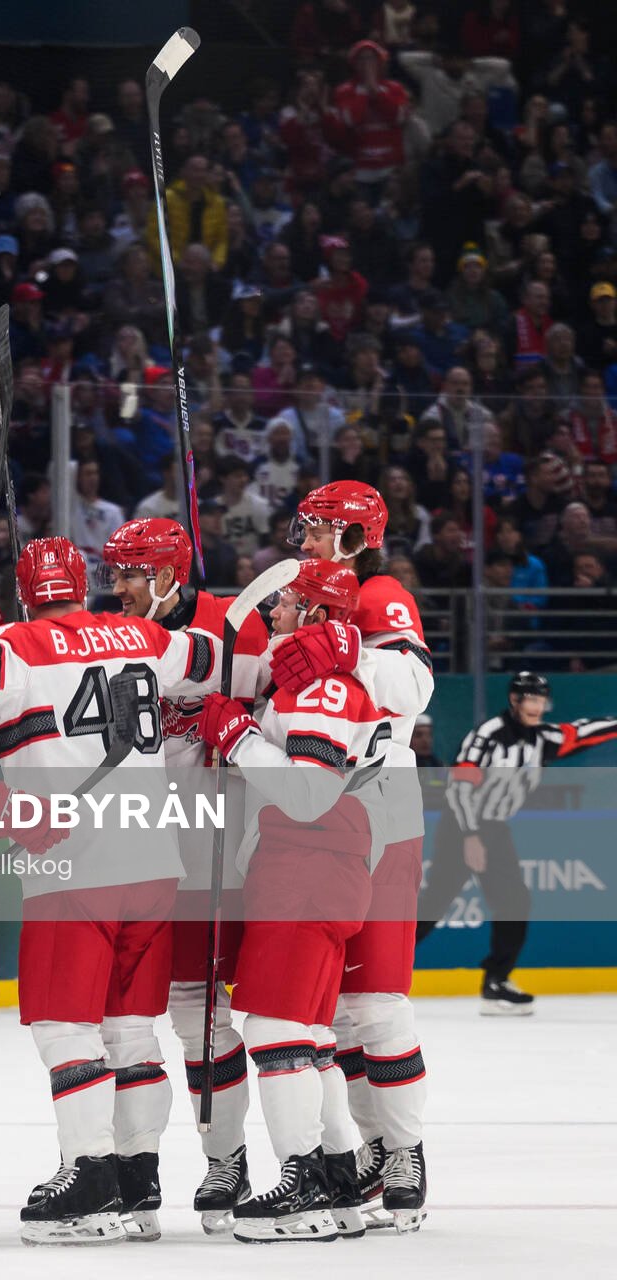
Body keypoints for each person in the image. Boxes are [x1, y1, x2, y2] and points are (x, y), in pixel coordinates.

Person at [0, 537, 223, 1246]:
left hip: (74, 863)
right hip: (155, 857)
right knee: (131, 1030)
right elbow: (214, 659)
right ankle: (139, 1182)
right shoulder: (143, 632)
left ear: (25, 593)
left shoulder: (13, 645)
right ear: (85, 585)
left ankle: (90, 1178)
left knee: (64, 1024)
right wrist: (193, 608)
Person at [195, 559, 391, 1242]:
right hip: (310, 866)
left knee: (274, 1031)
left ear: (313, 613)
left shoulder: (328, 688)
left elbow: (309, 793)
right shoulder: (309, 681)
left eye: (281, 605)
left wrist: (239, 737)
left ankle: (302, 1183)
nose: (270, 614)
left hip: (310, 865)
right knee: (309, 1038)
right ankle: (341, 1180)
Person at [100, 518, 266, 1233]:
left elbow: (276, 713)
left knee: (202, 1014)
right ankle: (130, 1169)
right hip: (130, 852)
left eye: (131, 573)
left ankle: (226, 1158)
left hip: (206, 852)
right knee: (125, 1020)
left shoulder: (237, 628)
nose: (119, 587)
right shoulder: (107, 632)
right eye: (115, 573)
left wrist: (241, 724)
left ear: (168, 573)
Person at [289, 479, 435, 1232]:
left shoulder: (379, 592)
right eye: (305, 528)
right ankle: (376, 1145)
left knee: (376, 1000)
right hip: (317, 819)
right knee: (339, 1015)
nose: (306, 540)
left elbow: (414, 685)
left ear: (356, 534)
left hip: (382, 813)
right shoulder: (305, 597)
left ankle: (405, 1148)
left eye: (319, 530)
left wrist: (350, 649)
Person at [416, 673, 617, 1014]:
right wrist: (471, 837)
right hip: (462, 826)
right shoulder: (488, 734)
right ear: (515, 701)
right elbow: (460, 787)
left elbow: (582, 731)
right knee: (434, 904)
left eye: (542, 701)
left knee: (514, 902)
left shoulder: (544, 737)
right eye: (531, 700)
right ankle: (374, 973)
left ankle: (496, 981)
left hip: (495, 828)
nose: (538, 707)